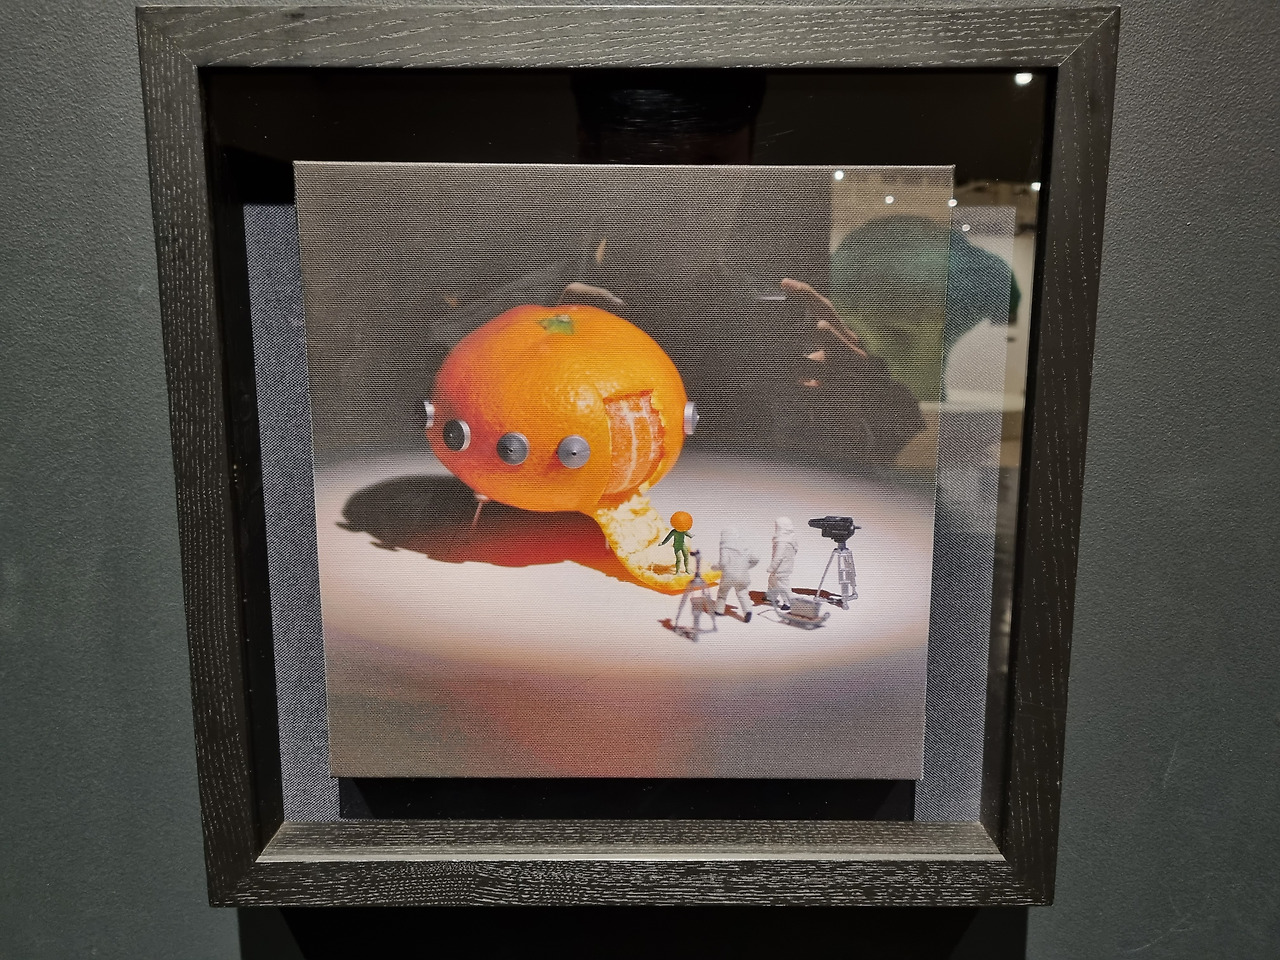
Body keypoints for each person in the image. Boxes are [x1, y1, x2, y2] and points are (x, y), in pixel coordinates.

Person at [712, 527, 759, 621]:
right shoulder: (745, 546)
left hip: (728, 576)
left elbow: (723, 563)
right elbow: (755, 559)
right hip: (742, 575)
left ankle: (719, 610)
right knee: (743, 593)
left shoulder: (725, 547)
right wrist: (746, 567)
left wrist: (714, 567)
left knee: (722, 593)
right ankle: (748, 610)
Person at [765, 516, 798, 611]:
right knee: (772, 580)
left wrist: (772, 567)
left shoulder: (782, 541)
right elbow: (796, 550)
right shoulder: (791, 539)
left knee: (782, 584)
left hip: (781, 568)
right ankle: (771, 596)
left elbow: (778, 557)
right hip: (784, 565)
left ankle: (788, 602)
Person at [659, 510, 695, 575]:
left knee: (686, 556)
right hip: (676, 546)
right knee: (679, 559)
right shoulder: (674, 532)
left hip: (683, 545)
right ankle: (677, 571)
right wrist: (662, 543)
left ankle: (687, 569)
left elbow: (689, 535)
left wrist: (692, 536)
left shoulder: (684, 531)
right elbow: (668, 538)